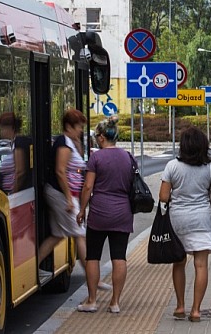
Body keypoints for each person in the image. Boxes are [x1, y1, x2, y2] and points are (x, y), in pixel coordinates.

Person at [159, 126, 211, 323]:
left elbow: (163, 196)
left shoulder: (172, 166)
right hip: (202, 220)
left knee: (179, 263)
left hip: (178, 220)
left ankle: (180, 306)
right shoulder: (210, 167)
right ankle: (196, 310)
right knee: (201, 265)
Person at [38, 108, 110, 290]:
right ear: (69, 126)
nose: (80, 130)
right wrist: (69, 198)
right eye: (78, 126)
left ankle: (34, 267)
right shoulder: (63, 144)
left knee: (57, 234)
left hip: (64, 194)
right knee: (80, 235)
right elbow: (60, 171)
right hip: (62, 195)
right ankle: (93, 279)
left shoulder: (71, 142)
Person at [75, 116, 134, 313]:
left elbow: (88, 187)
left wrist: (82, 210)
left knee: (93, 256)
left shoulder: (96, 158)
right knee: (119, 256)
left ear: (101, 138)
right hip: (123, 212)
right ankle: (115, 302)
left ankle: (92, 301)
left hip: (99, 214)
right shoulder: (128, 157)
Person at [0, 112, 31, 193]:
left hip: (17, 195)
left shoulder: (19, 142)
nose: (1, 132)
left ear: (11, 128)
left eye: (2, 129)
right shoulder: (16, 143)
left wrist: (14, 194)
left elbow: (20, 172)